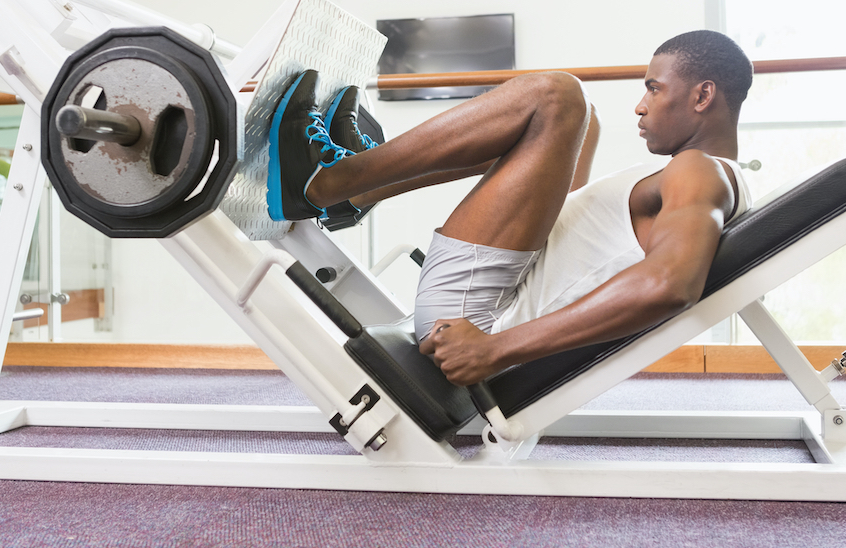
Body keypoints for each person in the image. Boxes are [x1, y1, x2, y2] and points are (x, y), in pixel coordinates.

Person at [266, 30, 754, 387]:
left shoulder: (699, 171)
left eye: (653, 88)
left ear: (703, 95)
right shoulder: (708, 175)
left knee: (555, 96)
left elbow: (670, 285)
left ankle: (327, 183)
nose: (641, 106)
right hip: (504, 291)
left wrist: (494, 349)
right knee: (583, 123)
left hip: (478, 321)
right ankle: (360, 189)